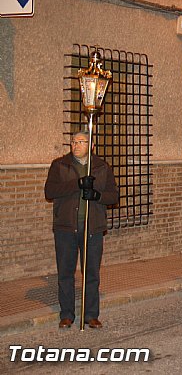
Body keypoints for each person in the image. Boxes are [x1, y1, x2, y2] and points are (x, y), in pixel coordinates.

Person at [44, 131, 119, 329]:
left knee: (91, 273)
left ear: (91, 145)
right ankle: (67, 315)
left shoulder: (101, 167)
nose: (76, 145)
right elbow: (50, 192)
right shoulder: (60, 165)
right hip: (66, 228)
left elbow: (113, 196)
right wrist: (76, 184)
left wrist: (97, 195)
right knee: (66, 273)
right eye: (73, 142)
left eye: (81, 142)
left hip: (92, 227)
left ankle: (91, 315)